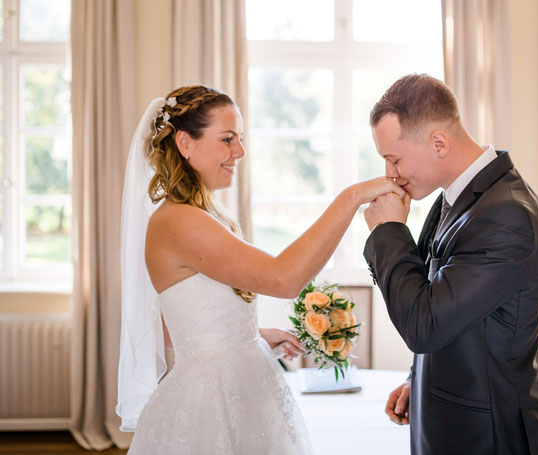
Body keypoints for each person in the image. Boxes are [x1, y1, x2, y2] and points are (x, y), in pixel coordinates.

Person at [116, 85, 404, 454]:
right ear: (185, 143)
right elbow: (283, 279)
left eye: (240, 138)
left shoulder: (202, 216)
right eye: (227, 139)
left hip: (241, 384)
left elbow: (167, 326)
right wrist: (351, 198)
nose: (240, 151)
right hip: (212, 404)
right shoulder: (179, 221)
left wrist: (249, 335)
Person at [363, 74, 538, 454]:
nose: (389, 174)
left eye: (394, 159)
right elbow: (441, 300)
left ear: (438, 142)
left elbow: (424, 325)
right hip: (450, 416)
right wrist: (417, 377)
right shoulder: (458, 196)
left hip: (485, 434)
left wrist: (387, 231)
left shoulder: (508, 216)